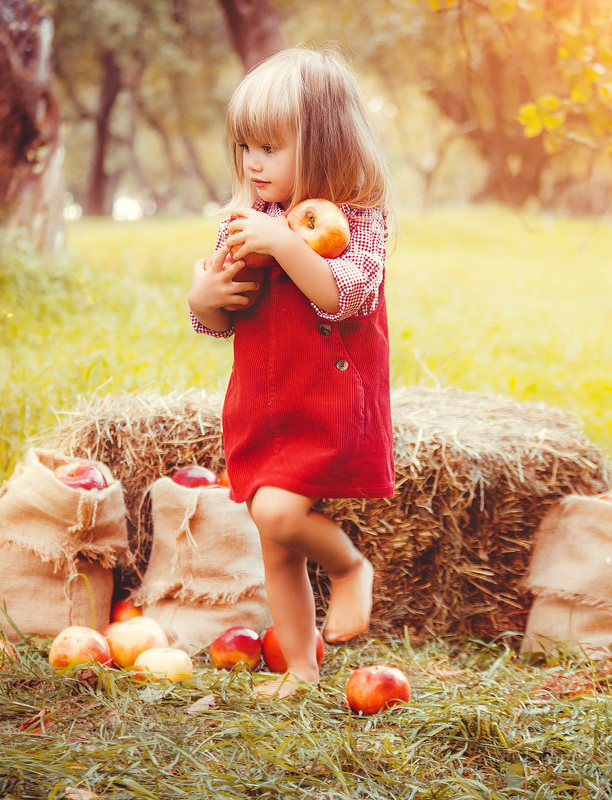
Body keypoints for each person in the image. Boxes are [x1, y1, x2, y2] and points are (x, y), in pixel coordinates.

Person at [187, 47, 394, 697]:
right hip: (265, 402)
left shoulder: (356, 219)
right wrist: (204, 299)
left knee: (278, 514)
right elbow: (222, 319)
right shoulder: (247, 223)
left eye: (270, 147)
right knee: (275, 543)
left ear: (326, 144)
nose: (253, 162)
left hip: (328, 399)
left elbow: (348, 295)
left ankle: (349, 566)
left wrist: (287, 244)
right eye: (245, 146)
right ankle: (302, 669)